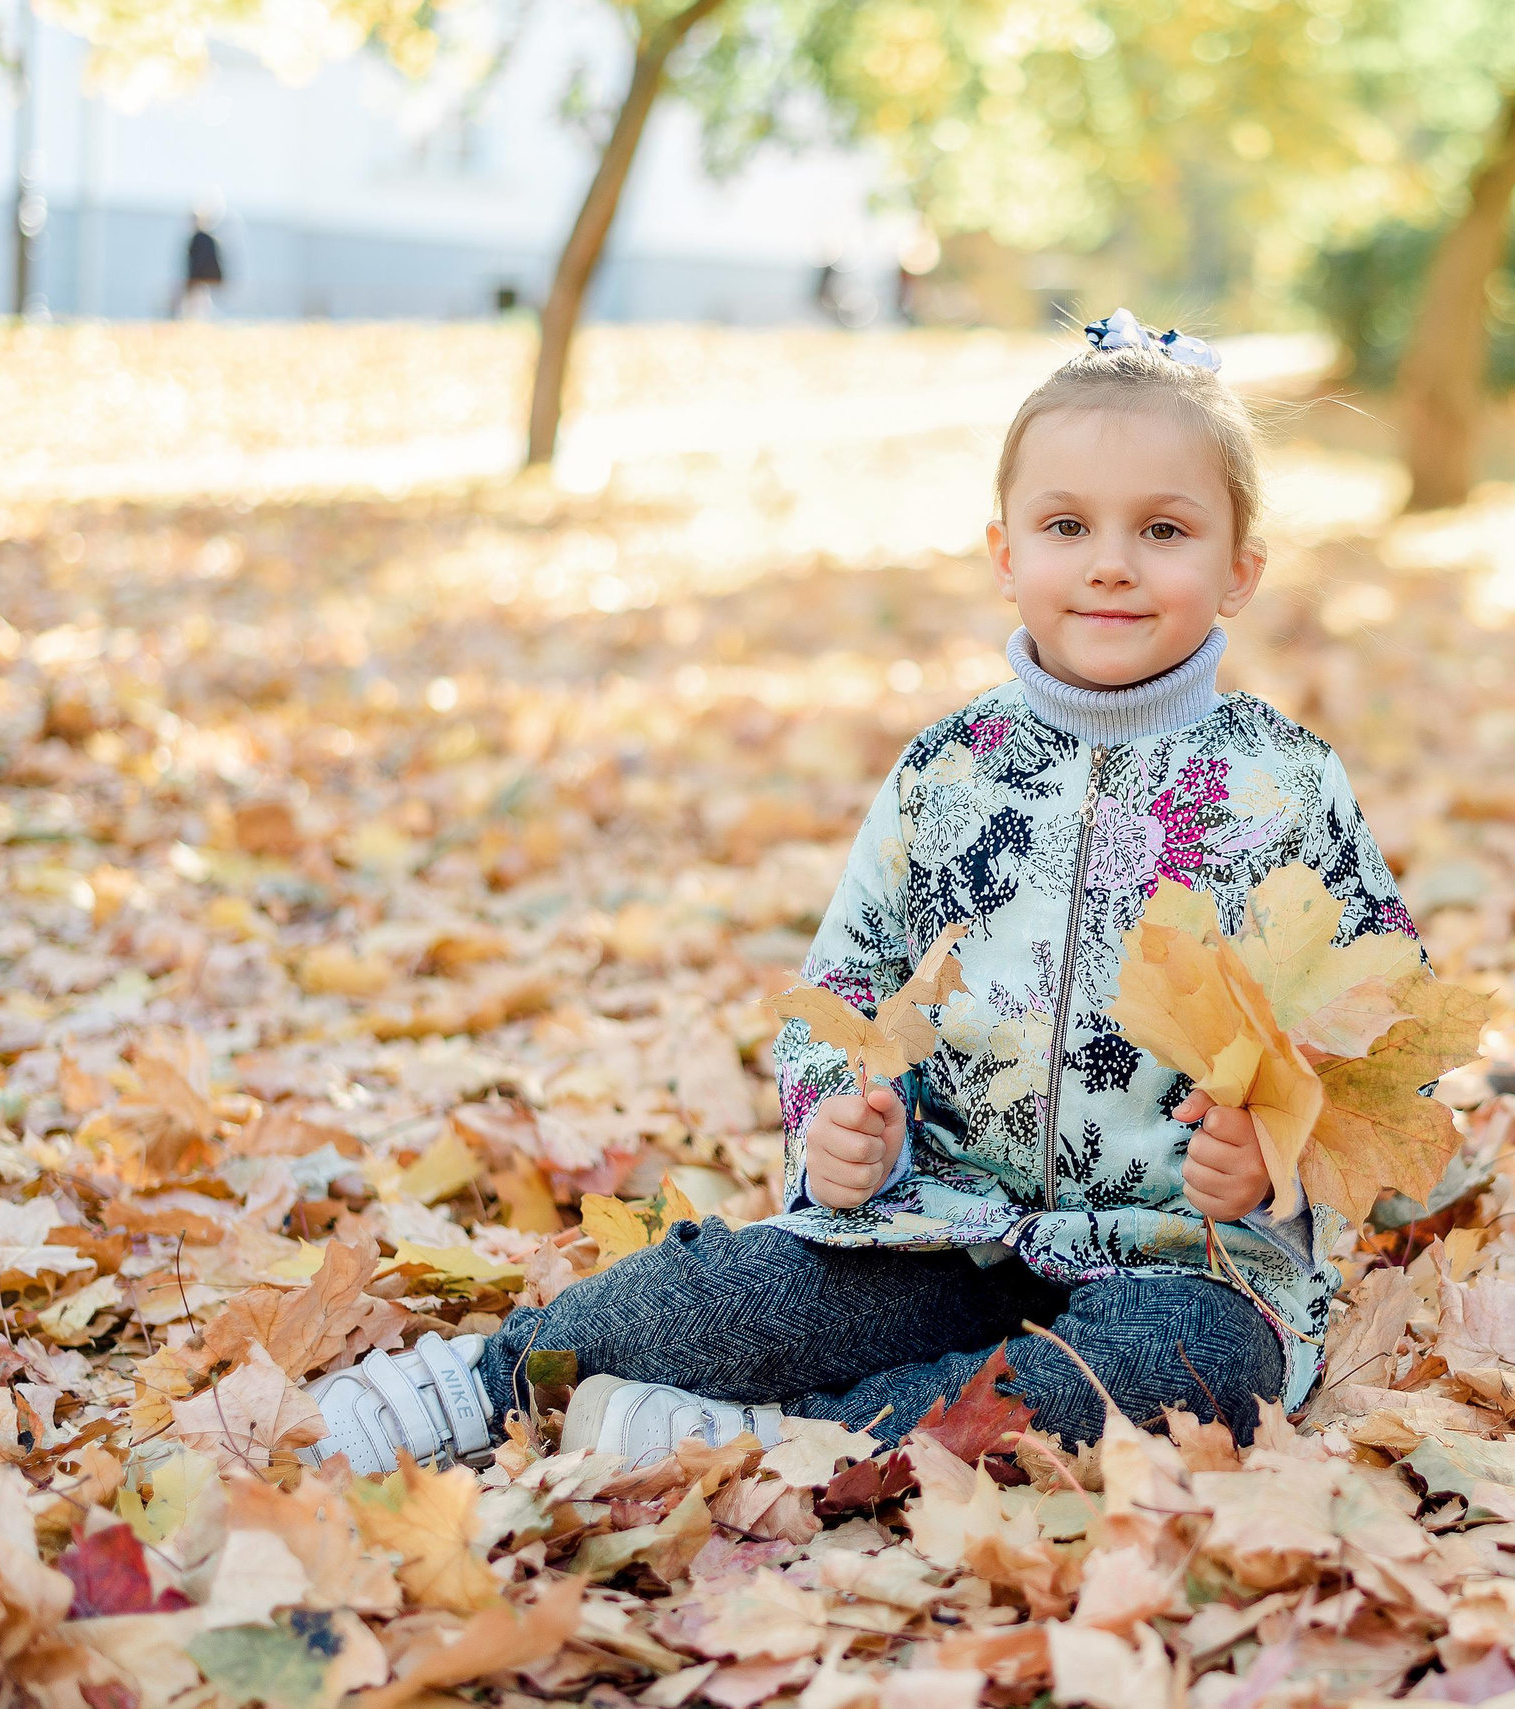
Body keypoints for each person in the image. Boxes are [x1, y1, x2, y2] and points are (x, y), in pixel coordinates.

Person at [300, 310, 1424, 1475]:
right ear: (1004, 553)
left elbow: (1383, 1033)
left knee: (1184, 1373)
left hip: (1184, 1257)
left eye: (1163, 529)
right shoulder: (949, 770)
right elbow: (846, 979)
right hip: (939, 1228)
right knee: (728, 1289)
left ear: (1239, 570)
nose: (1110, 562)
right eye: (1066, 525)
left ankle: (789, 1442)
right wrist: (843, 1128)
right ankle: (486, 1377)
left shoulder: (1286, 785)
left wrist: (1276, 1158)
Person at [176, 212, 224, 319]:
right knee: (199, 295)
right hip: (208, 275)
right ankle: (199, 315)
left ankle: (192, 316)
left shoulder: (199, 238)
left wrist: (193, 277)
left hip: (201, 275)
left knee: (194, 294)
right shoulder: (209, 238)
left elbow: (199, 260)